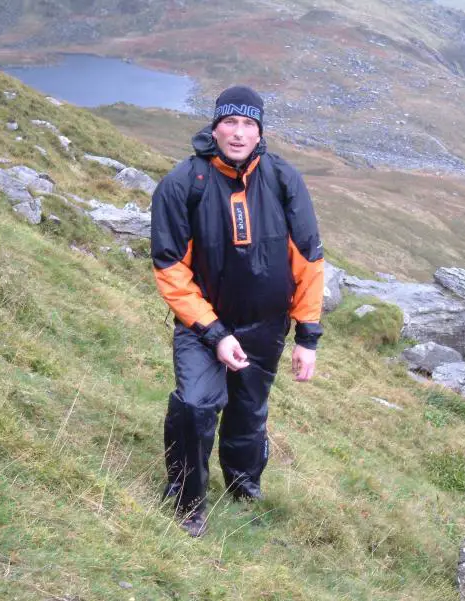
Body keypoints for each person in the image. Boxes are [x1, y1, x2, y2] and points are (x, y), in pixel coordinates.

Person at [150, 85, 324, 537]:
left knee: (248, 412)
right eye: (230, 122)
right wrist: (214, 332)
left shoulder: (285, 180)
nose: (239, 132)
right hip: (203, 325)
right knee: (194, 405)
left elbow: (308, 261)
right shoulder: (182, 184)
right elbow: (170, 270)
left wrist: (307, 337)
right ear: (215, 125)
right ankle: (187, 497)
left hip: (266, 327)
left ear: (260, 131)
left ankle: (244, 484)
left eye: (249, 123)